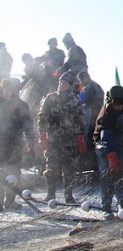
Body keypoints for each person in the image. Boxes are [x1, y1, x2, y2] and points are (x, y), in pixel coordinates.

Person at [37, 71, 87, 203]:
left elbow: (80, 120)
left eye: (64, 83)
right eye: (60, 82)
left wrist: (80, 137)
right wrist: (42, 135)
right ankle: (50, 195)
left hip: (69, 140)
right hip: (53, 139)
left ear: (70, 85)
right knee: (51, 167)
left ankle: (68, 195)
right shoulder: (50, 98)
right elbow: (42, 117)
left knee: (69, 168)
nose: (61, 84)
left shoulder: (75, 101)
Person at [93, 86, 123, 219]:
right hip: (105, 146)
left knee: (121, 175)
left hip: (120, 145)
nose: (120, 107)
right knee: (107, 175)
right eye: (117, 105)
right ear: (111, 101)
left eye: (121, 105)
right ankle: (106, 206)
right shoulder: (106, 116)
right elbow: (106, 139)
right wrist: (112, 159)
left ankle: (121, 203)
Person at [0, 78, 36, 211]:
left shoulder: (21, 105)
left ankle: (9, 202)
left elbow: (28, 126)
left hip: (14, 144)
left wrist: (30, 144)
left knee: (13, 172)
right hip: (3, 144)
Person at [77, 71, 104, 151]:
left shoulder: (88, 87)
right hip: (99, 113)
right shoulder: (97, 85)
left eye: (80, 80)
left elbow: (80, 100)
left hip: (91, 113)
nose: (80, 83)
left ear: (85, 78)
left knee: (87, 134)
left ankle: (87, 151)